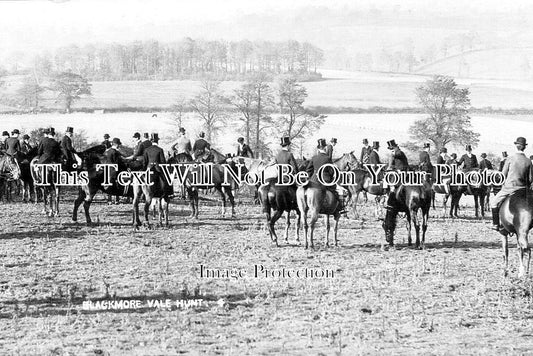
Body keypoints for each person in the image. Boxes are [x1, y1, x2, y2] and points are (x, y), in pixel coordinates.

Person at [490, 137, 533, 231]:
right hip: (523, 189)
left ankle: (496, 224)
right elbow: (530, 179)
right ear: (524, 147)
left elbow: (503, 175)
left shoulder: (510, 159)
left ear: (516, 146)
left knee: (494, 203)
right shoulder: (528, 161)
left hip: (509, 188)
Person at [306, 138, 345, 214]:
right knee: (338, 190)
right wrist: (331, 176)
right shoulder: (327, 158)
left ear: (318, 148)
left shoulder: (314, 158)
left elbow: (308, 170)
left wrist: (310, 177)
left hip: (314, 180)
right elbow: (331, 170)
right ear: (325, 148)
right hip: (325, 179)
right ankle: (340, 207)